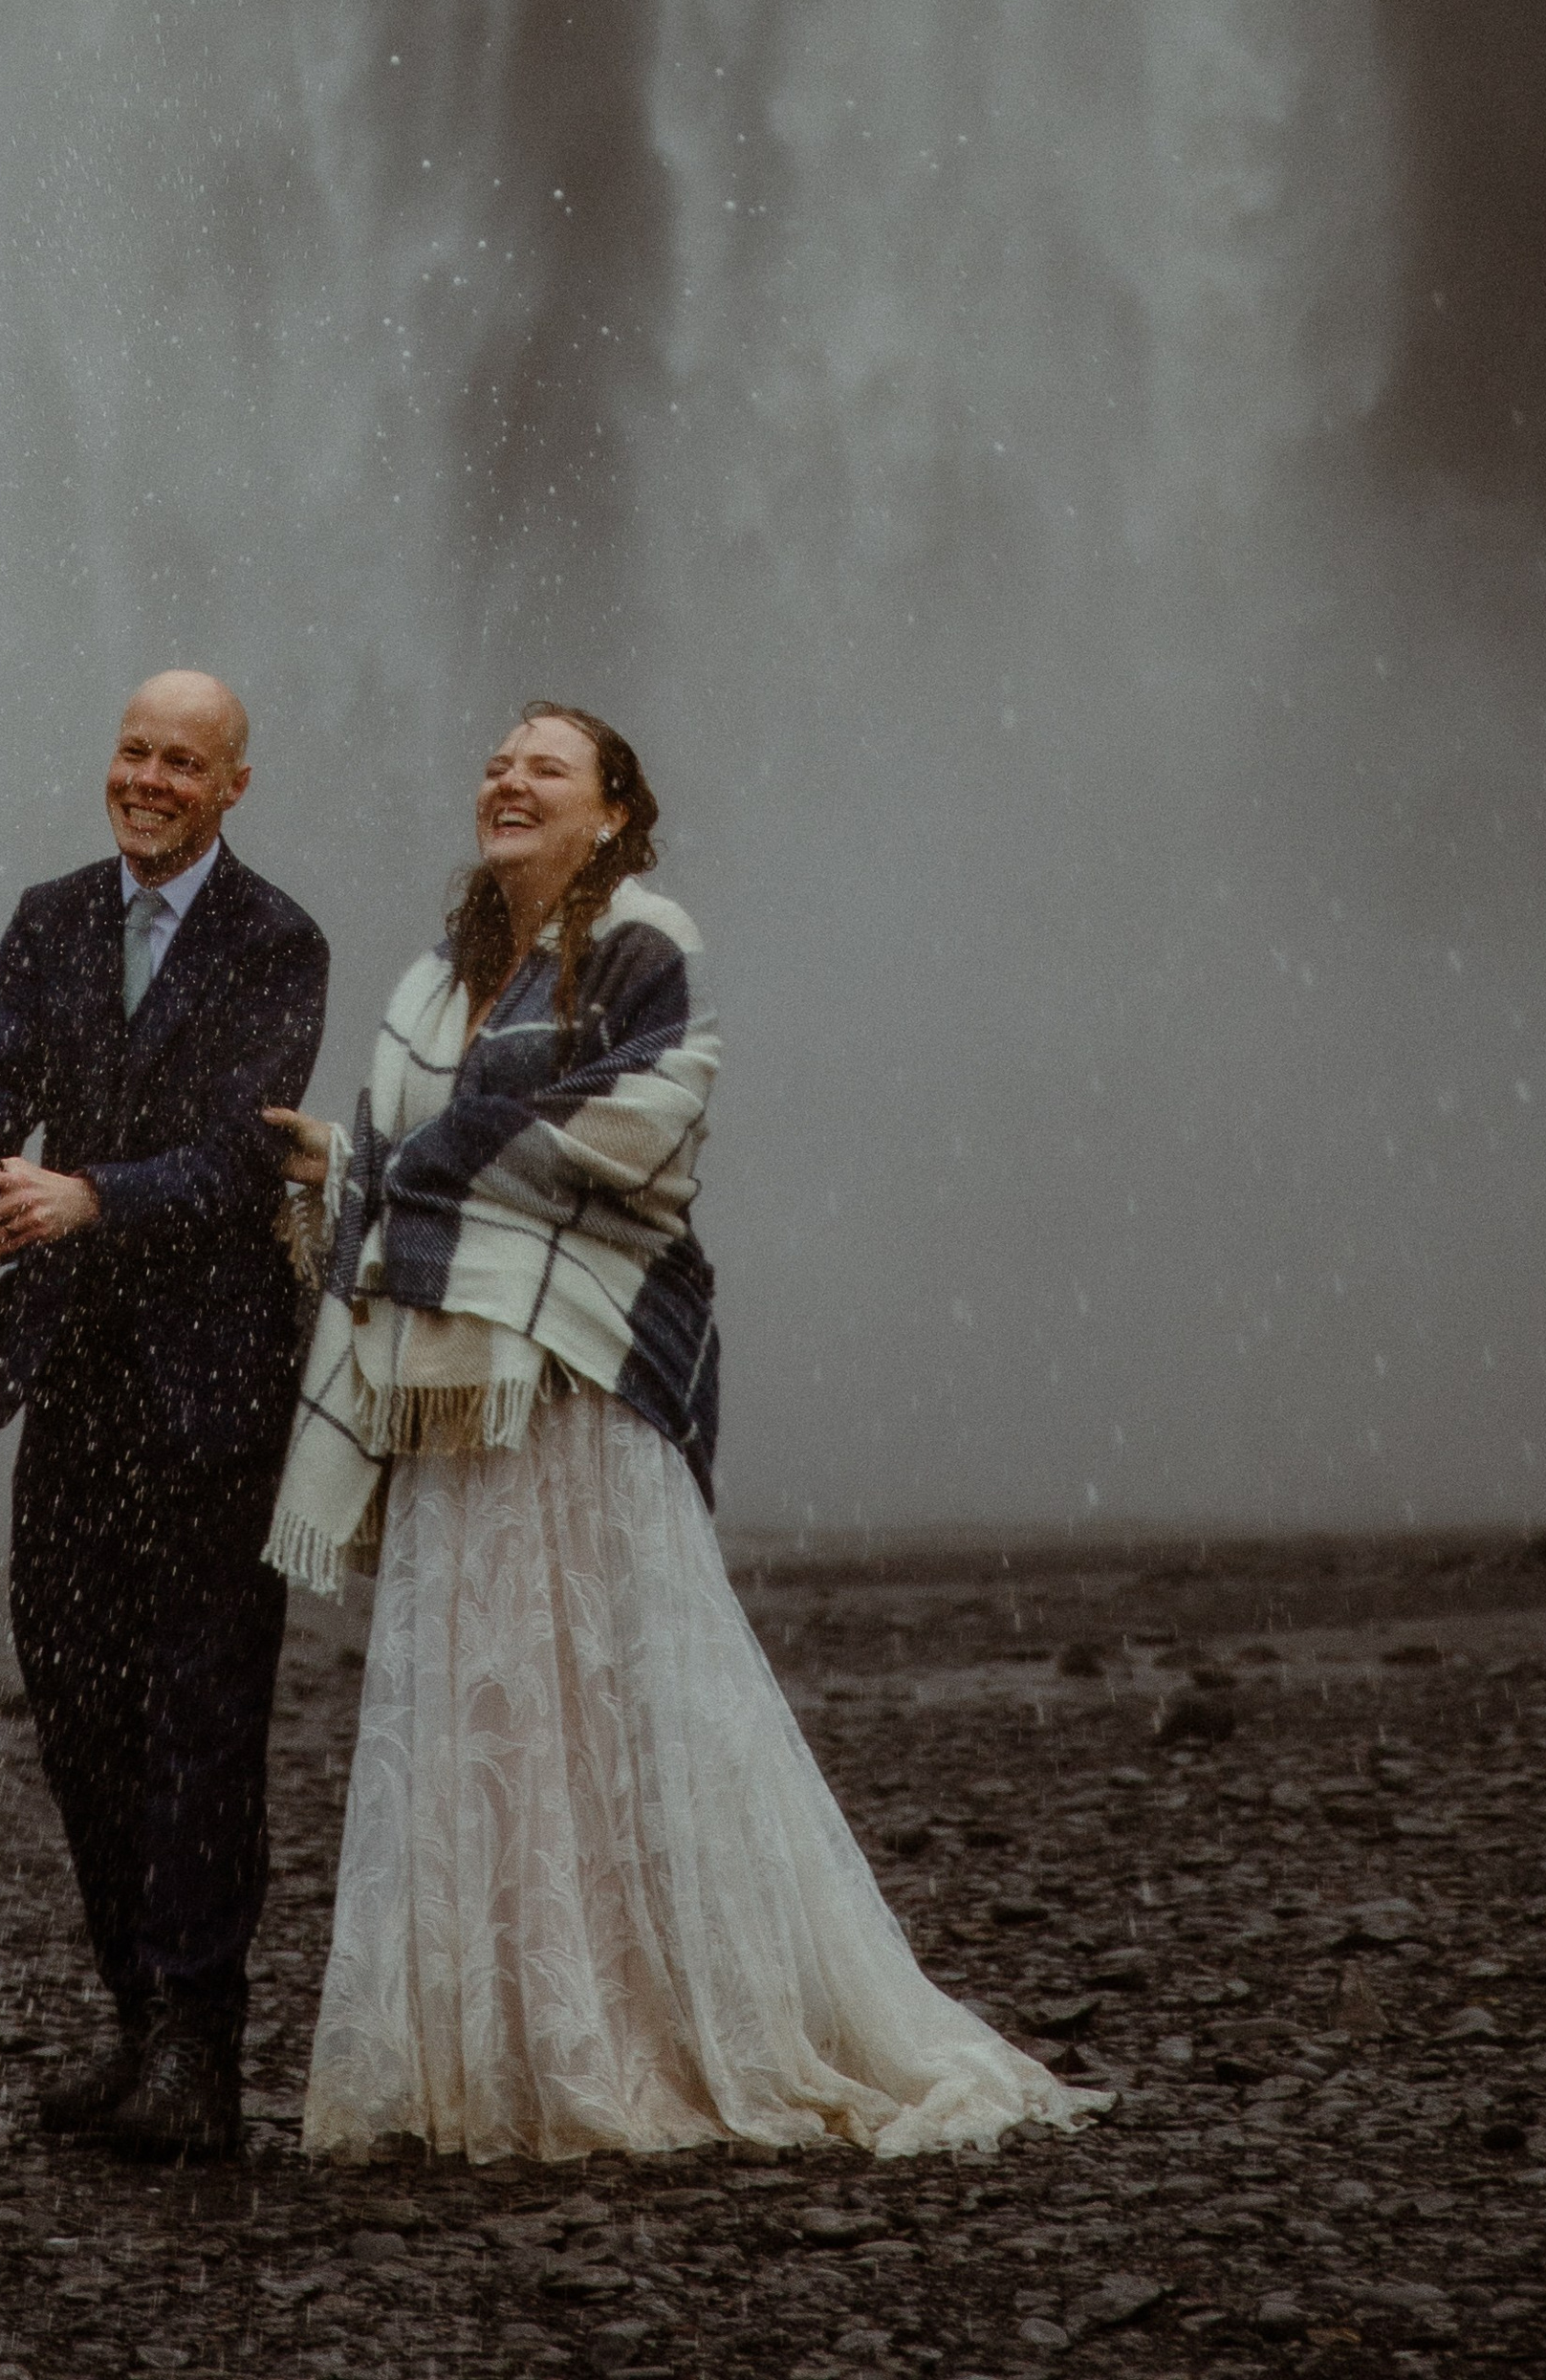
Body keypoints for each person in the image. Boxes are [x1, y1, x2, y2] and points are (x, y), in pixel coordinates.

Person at [262, 701, 1104, 2165]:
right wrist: (348, 1164)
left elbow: (641, 1130)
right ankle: (513, 2051)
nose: (509, 779)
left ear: (612, 813)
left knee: (616, 1702)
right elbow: (407, 1154)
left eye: (547, 766)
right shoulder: (440, 977)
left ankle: (646, 2027)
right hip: (457, 1391)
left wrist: (413, 1161)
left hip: (578, 1385)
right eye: (498, 763)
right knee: (488, 1713)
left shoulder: (648, 941)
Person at [0, 670, 327, 2163]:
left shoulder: (279, 939)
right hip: (72, 1370)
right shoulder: (49, 916)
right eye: (134, 751)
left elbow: (246, 1160)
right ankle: (137, 2019)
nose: (149, 779)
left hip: (214, 1383)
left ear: (234, 786)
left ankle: (201, 2048)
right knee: (76, 1697)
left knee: (203, 1709)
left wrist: (90, 1197)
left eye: (184, 762)